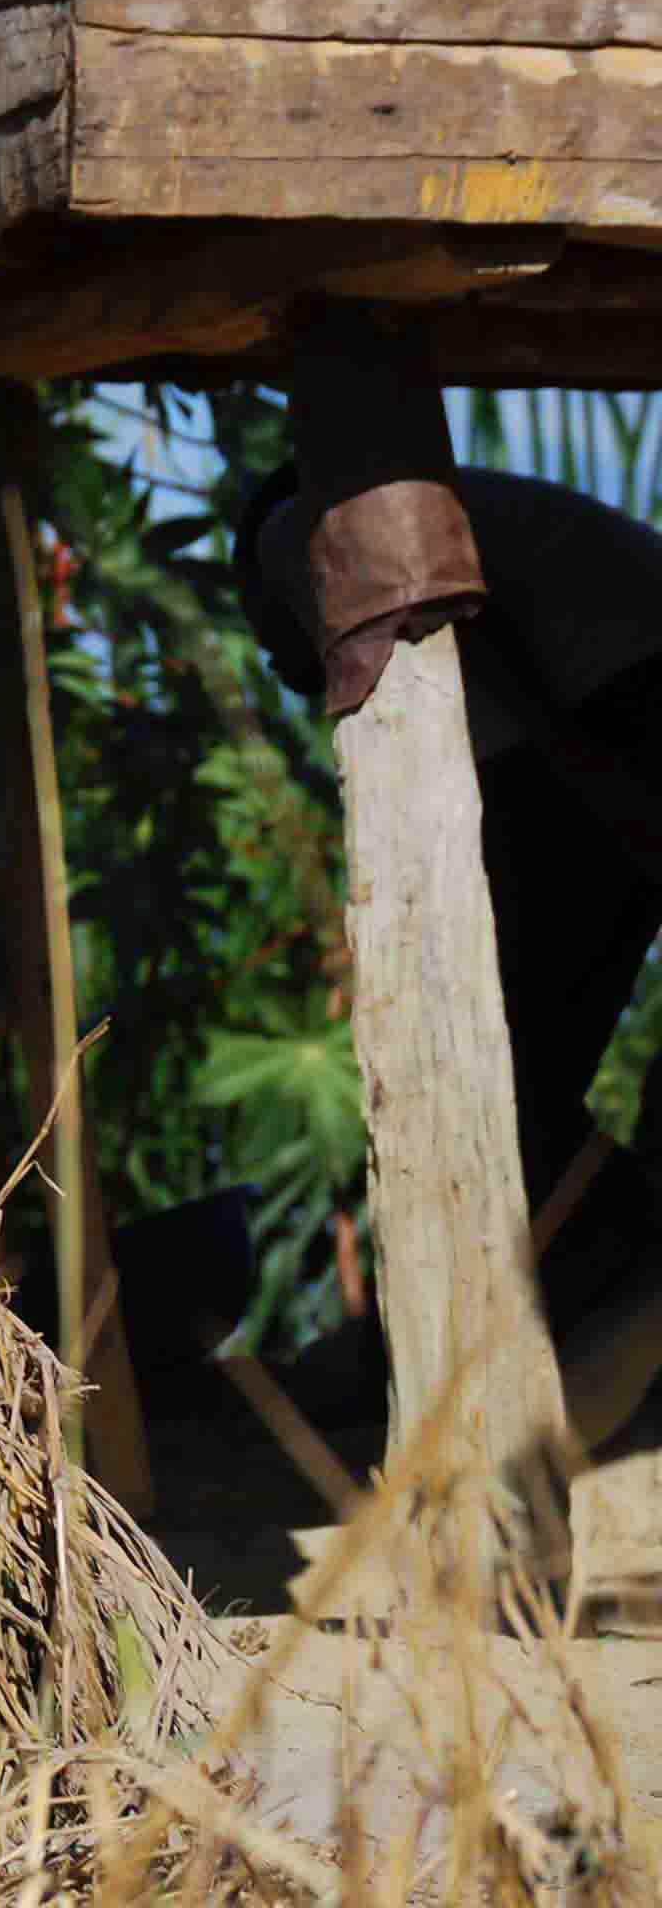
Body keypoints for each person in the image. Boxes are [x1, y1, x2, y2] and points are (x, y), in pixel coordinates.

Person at [235, 462, 662, 1452]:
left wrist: (591, 781)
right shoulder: (374, 513)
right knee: (522, 1068)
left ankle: (619, 1258)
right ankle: (593, 1276)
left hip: (614, 704)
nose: (269, 662)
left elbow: (481, 645)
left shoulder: (292, 534)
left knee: (495, 1070)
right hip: (614, 699)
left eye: (262, 637)